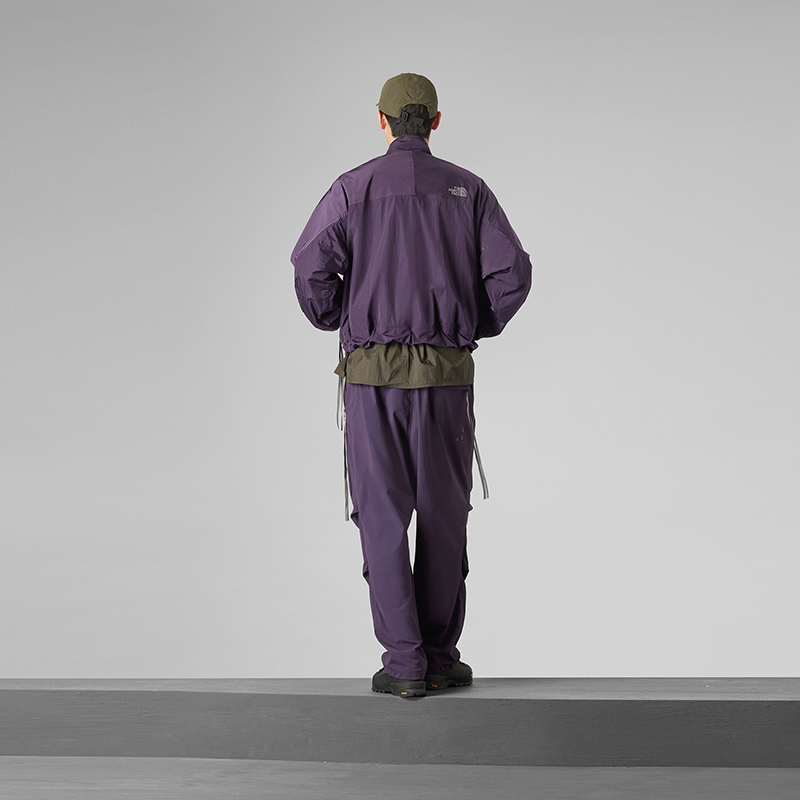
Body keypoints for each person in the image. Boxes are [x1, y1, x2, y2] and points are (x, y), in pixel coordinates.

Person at [291, 73, 532, 699]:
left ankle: (404, 665)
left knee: (382, 515)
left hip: (372, 381)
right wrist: (464, 325)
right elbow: (512, 275)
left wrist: (344, 317)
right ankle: (441, 656)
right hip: (447, 379)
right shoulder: (468, 190)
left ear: (382, 121)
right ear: (436, 122)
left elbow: (310, 268)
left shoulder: (352, 189)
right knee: (446, 515)